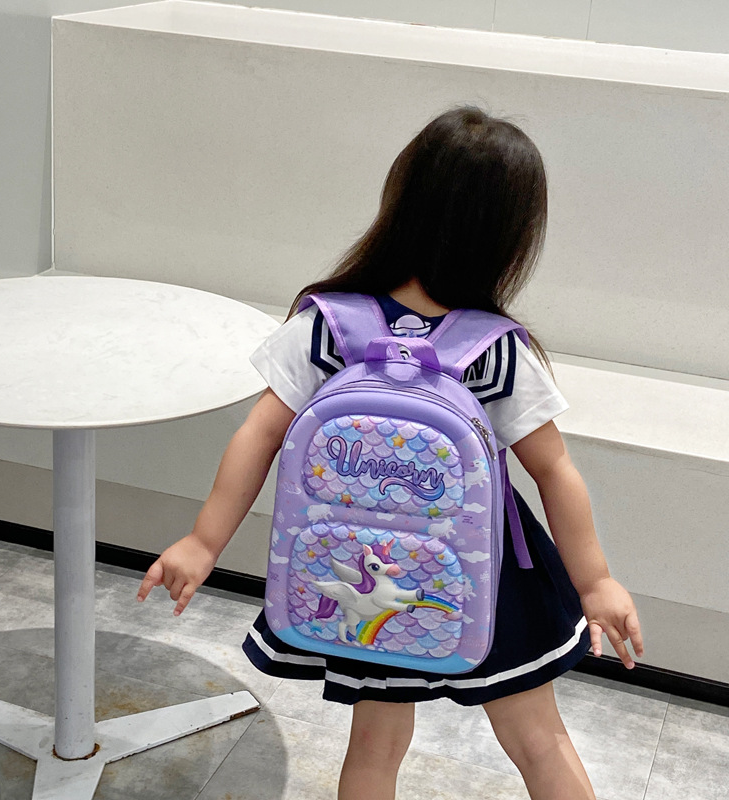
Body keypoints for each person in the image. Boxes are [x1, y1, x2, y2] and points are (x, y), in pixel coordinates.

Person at [137, 106, 644, 800]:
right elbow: (554, 471)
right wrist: (596, 581)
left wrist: (204, 541)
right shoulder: (495, 351)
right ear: (510, 235)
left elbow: (259, 433)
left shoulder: (329, 325)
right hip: (489, 565)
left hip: (362, 561)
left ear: (401, 200)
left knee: (374, 749)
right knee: (538, 740)